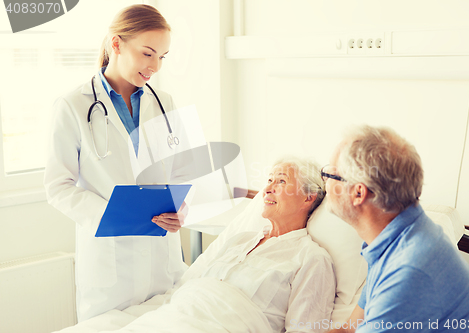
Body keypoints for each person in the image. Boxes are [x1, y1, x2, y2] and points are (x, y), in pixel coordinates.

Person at [55, 158, 336, 333]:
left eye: (281, 181)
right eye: (269, 180)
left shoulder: (310, 258)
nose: (268, 188)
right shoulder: (241, 239)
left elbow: (305, 329)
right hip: (177, 315)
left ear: (308, 198)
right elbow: (193, 286)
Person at [44, 4, 191, 322]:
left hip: (163, 263)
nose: (155, 66)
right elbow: (58, 186)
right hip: (110, 269)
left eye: (162, 57)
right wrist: (111, 214)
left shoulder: (164, 103)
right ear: (116, 44)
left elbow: (181, 171)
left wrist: (182, 208)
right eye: (147, 53)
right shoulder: (72, 106)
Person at [323, 125, 469, 333]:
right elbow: (349, 329)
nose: (324, 180)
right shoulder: (393, 240)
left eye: (330, 174)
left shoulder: (409, 270)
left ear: (358, 193)